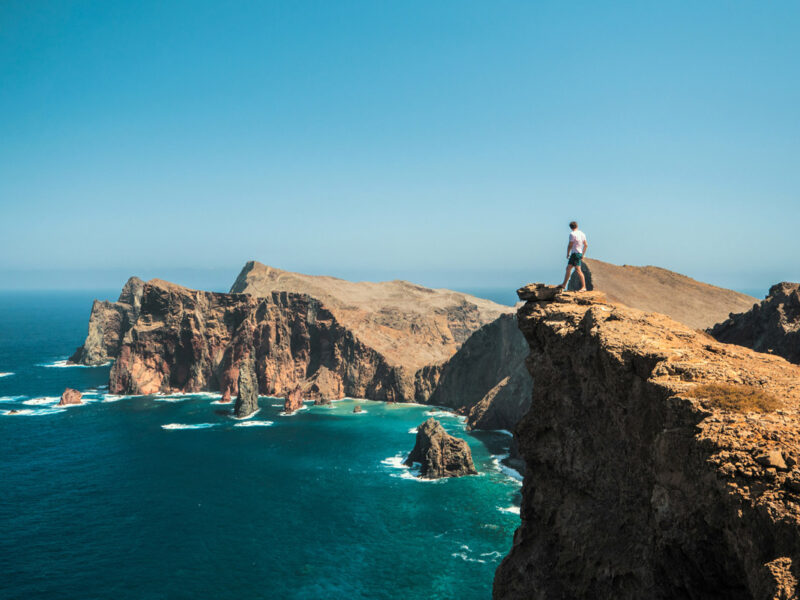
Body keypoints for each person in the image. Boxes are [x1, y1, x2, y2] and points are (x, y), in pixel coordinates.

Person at [558, 221, 588, 291]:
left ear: (570, 227)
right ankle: (564, 285)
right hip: (578, 253)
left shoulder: (572, 234)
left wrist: (568, 253)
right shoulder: (582, 234)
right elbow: (586, 245)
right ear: (577, 226)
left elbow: (570, 245)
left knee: (578, 270)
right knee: (568, 268)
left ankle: (584, 287)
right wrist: (583, 254)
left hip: (575, 253)